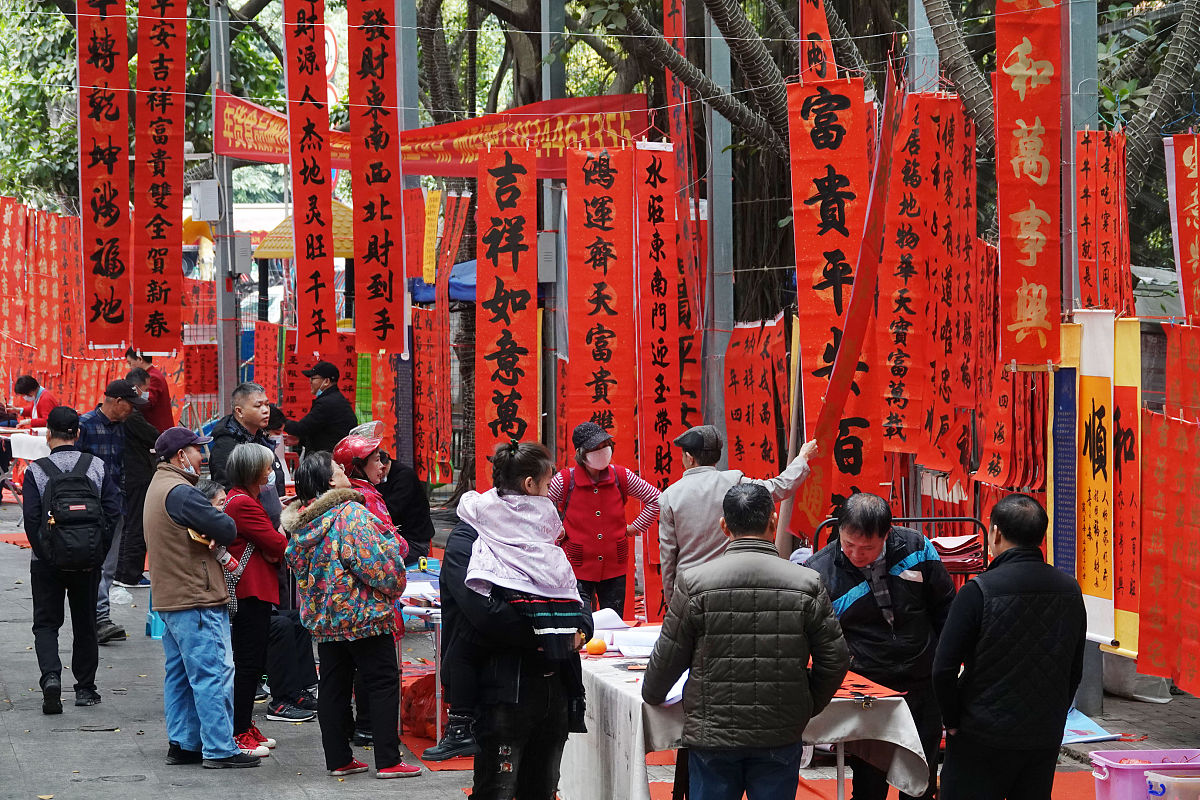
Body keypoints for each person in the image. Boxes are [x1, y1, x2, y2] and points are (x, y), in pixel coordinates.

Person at [643, 484, 850, 800]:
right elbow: (835, 658)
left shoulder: (695, 583)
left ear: (724, 526)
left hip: (712, 734)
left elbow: (666, 661)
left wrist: (653, 693)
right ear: (773, 520)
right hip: (780, 731)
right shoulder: (806, 582)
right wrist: (805, 704)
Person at [424, 441, 589, 764]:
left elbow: (569, 584)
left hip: (551, 685)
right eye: (549, 478)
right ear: (530, 484)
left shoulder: (539, 527)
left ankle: (459, 724)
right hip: (502, 688)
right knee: (497, 787)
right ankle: (460, 724)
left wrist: (581, 626)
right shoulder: (470, 536)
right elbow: (484, 613)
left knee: (542, 786)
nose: (553, 485)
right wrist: (548, 631)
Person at [934, 494, 1086, 800]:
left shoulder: (979, 591)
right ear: (1041, 537)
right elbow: (1074, 669)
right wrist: (1053, 717)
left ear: (995, 533)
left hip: (980, 732)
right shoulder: (1070, 590)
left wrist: (951, 722)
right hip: (1042, 734)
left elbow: (943, 669)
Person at [805, 492, 956, 800]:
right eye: (848, 544)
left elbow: (945, 608)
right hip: (868, 690)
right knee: (869, 782)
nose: (856, 554)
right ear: (839, 529)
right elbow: (818, 639)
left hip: (922, 680)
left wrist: (944, 664)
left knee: (920, 779)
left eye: (868, 547)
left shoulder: (916, 548)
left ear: (887, 534)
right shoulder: (819, 571)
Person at [282, 451, 421, 779]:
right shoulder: (350, 514)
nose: (344, 471)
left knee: (333, 685)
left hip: (325, 619)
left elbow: (296, 564)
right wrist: (396, 581)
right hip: (364, 615)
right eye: (338, 469)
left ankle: (338, 758)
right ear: (331, 481)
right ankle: (388, 760)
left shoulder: (303, 523)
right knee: (383, 681)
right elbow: (375, 564)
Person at [143, 426, 259, 768]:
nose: (202, 457)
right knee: (213, 673)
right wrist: (216, 524)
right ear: (181, 455)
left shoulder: (158, 487)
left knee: (179, 674)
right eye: (197, 450)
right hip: (196, 596)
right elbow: (228, 529)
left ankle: (184, 743)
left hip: (171, 596)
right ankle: (220, 748)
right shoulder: (182, 492)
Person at [22, 406, 121, 713]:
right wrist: (97, 552)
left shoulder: (35, 471)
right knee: (85, 623)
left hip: (47, 562)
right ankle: (86, 689)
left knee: (46, 624)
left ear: (47, 434)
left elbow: (31, 519)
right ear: (77, 434)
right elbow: (113, 512)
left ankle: (52, 678)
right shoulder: (97, 466)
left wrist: (45, 554)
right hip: (88, 560)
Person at [658, 425, 820, 610]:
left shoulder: (669, 497)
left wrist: (672, 601)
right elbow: (779, 487)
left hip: (689, 590)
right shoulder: (734, 482)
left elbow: (668, 556)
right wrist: (802, 458)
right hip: (729, 585)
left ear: (689, 457)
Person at [548, 421, 661, 616]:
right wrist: (557, 531)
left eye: (605, 445)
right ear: (581, 452)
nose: (602, 451)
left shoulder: (621, 476)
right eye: (595, 448)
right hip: (576, 565)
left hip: (614, 566)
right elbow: (541, 509)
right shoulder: (565, 480)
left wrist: (635, 527)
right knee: (580, 621)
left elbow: (656, 499)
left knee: (613, 620)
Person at [221, 443, 289, 756]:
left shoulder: (244, 499)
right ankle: (238, 730)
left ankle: (244, 724)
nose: (271, 470)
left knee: (252, 661)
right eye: (266, 465)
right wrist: (275, 540)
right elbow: (277, 542)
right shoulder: (243, 504)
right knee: (248, 663)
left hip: (255, 589)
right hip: (250, 591)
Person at [78, 379, 147, 644]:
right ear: (117, 402)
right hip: (88, 507)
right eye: (131, 405)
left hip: (115, 504)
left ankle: (101, 619)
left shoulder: (122, 427)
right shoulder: (84, 426)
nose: (133, 411)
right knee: (92, 563)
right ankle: (96, 619)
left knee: (108, 566)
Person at [209, 382, 287, 527]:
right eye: (258, 406)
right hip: (249, 524)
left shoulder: (260, 436)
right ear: (239, 411)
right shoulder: (226, 447)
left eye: (267, 404)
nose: (266, 410)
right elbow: (228, 492)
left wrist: (275, 503)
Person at [113, 369, 159, 590]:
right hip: (136, 474)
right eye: (146, 389)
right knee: (136, 524)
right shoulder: (131, 416)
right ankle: (130, 573)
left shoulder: (122, 416)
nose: (146, 396)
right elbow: (154, 437)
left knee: (128, 523)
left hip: (128, 473)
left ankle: (122, 571)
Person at [283, 361, 358, 454]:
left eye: (313, 378)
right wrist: (301, 440)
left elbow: (301, 428)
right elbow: (324, 434)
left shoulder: (327, 403)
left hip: (328, 461)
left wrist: (277, 419)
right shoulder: (334, 399)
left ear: (326, 381)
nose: (310, 381)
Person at [377, 451, 435, 565]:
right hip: (393, 539)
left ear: (382, 466)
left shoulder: (404, 476)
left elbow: (389, 512)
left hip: (413, 541)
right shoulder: (378, 478)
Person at [125, 348, 175, 432]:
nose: (130, 367)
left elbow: (147, 402)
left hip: (156, 430)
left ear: (140, 359)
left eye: (130, 363)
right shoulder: (153, 374)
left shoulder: (152, 377)